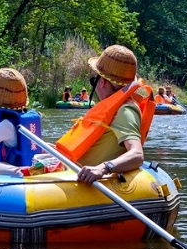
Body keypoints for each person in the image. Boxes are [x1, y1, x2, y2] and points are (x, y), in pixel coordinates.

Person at [56, 45, 156, 185]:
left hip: (84, 183)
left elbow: (137, 155)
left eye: (93, 81)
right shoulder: (114, 109)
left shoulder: (124, 111)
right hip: (70, 172)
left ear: (102, 82)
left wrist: (103, 168)